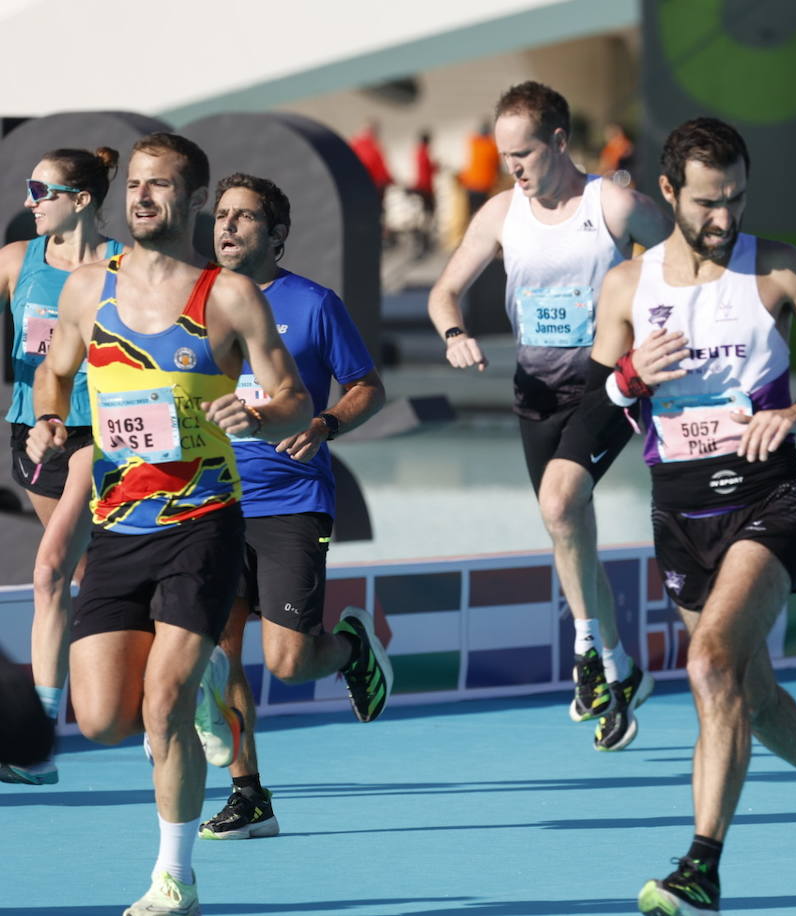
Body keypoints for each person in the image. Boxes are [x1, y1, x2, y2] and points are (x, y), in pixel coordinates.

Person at [573, 116, 796, 915]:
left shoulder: (775, 270)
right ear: (668, 192)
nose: (725, 218)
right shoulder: (626, 289)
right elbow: (588, 424)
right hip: (678, 515)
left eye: (737, 199)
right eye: (709, 203)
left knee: (709, 665)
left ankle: (701, 865)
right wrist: (629, 378)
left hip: (768, 499)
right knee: (749, 692)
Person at [26, 132, 313, 915]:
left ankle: (174, 877)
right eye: (136, 185)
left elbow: (294, 399)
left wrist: (256, 412)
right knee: (103, 719)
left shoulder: (227, 295)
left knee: (162, 708)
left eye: (160, 187)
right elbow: (55, 375)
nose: (143, 197)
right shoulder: (87, 289)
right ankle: (214, 676)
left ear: (189, 200)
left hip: (203, 523)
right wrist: (47, 423)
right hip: (117, 526)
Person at [427, 81, 671, 751]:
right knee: (568, 525)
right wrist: (454, 334)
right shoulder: (502, 212)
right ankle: (622, 670)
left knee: (562, 506)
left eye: (525, 154)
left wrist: (645, 325)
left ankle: (588, 652)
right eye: (506, 156)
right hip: (535, 388)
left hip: (608, 382)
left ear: (560, 142)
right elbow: (445, 291)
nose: (514, 168)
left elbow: (682, 260)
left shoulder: (614, 204)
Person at [198, 173, 390, 841]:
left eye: (244, 218)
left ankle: (348, 650)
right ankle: (249, 794)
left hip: (292, 500)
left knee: (285, 661)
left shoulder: (314, 305)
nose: (227, 227)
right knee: (221, 654)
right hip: (213, 500)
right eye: (222, 215)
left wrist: (328, 422)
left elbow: (368, 385)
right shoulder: (195, 304)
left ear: (275, 235)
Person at [0, 147, 123, 785]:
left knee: (50, 574)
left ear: (81, 200)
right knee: (83, 571)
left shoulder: (127, 269)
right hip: (34, 437)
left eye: (39, 190)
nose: (28, 201)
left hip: (105, 435)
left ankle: (38, 743)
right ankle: (182, 679)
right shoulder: (17, 262)